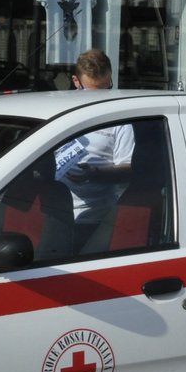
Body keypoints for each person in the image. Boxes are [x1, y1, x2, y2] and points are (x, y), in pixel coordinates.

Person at [55, 49, 133, 243]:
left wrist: (95, 173)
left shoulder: (120, 119)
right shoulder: (59, 114)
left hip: (96, 218)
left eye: (106, 89)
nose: (100, 99)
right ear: (75, 82)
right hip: (53, 214)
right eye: (91, 92)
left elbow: (128, 169)